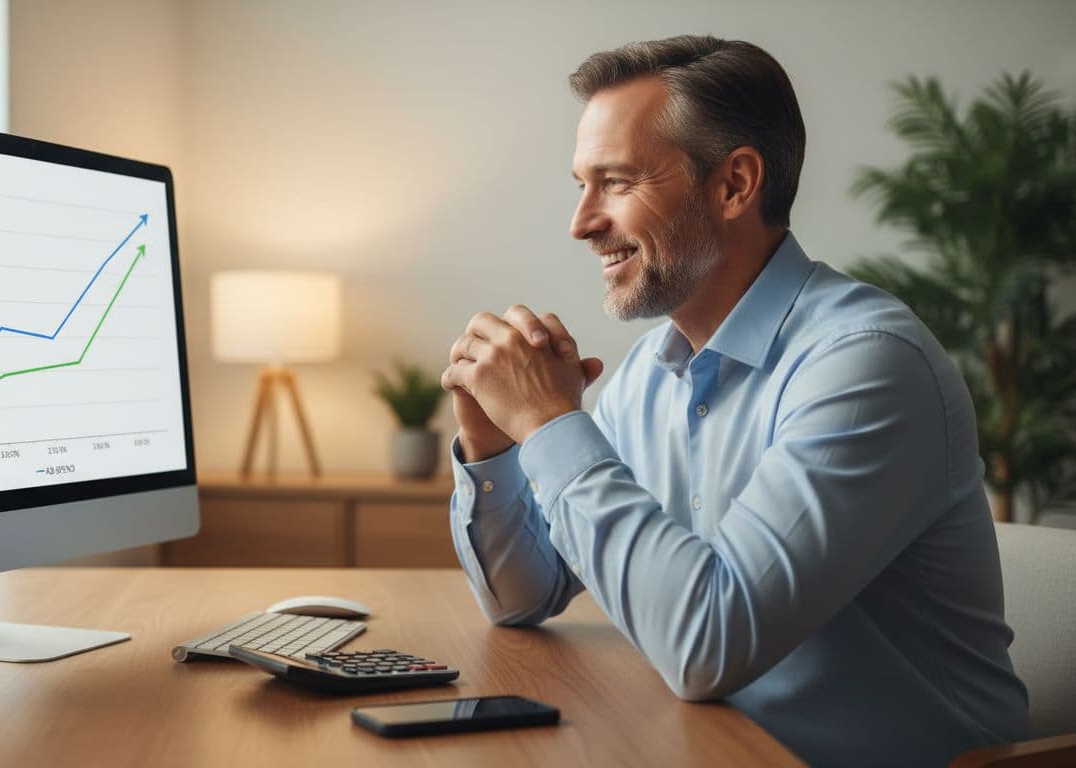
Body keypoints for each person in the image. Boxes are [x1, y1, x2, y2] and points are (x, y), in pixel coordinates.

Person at [440, 35, 1029, 766]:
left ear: (734, 185)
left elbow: (706, 646)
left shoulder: (866, 367)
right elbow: (523, 597)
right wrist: (496, 440)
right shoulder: (650, 373)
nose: (582, 222)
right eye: (581, 185)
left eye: (617, 183)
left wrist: (552, 422)